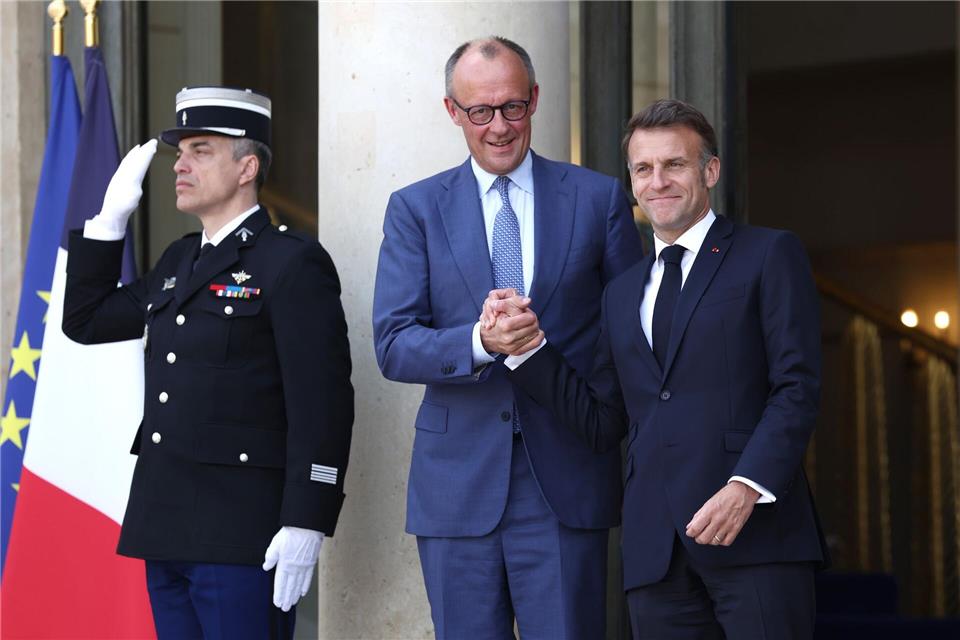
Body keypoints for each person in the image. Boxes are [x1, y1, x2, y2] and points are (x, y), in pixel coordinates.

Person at [491, 99, 826, 639]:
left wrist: (747, 486)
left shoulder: (768, 255)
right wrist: (527, 349)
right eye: (643, 169)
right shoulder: (622, 293)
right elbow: (603, 419)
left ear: (709, 171)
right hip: (656, 555)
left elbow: (797, 386)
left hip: (757, 538)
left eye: (675, 164)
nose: (658, 181)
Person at [372, 37, 643, 639]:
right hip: (456, 484)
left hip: (565, 479)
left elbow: (628, 335)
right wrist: (479, 341)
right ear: (452, 111)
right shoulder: (415, 208)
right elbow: (393, 342)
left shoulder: (597, 199)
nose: (498, 126)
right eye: (480, 112)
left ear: (536, 100)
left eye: (512, 107)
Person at [62, 86, 353, 639]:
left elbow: (324, 404)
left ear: (247, 167)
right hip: (165, 521)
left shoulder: (291, 263)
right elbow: (87, 321)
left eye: (201, 150)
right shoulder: (179, 259)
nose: (182, 164)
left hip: (240, 530)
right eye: (180, 152)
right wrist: (108, 221)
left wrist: (307, 519)